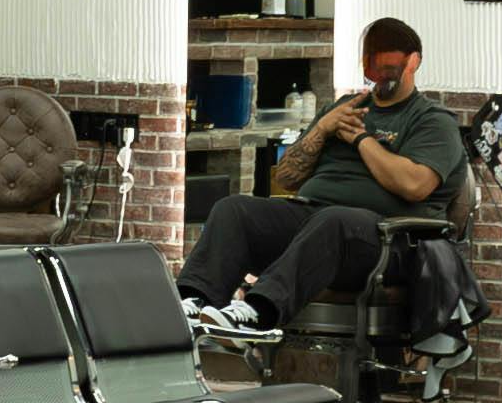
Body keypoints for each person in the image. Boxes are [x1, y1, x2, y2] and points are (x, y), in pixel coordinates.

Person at [183, 20, 463, 336]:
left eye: (390, 66)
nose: (380, 76)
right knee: (234, 210)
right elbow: (287, 177)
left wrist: (361, 139)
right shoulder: (343, 108)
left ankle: (258, 312)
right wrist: (322, 127)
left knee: (334, 221)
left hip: (388, 242)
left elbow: (414, 185)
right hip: (316, 224)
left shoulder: (433, 121)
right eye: (373, 66)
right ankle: (193, 302)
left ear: (414, 61)